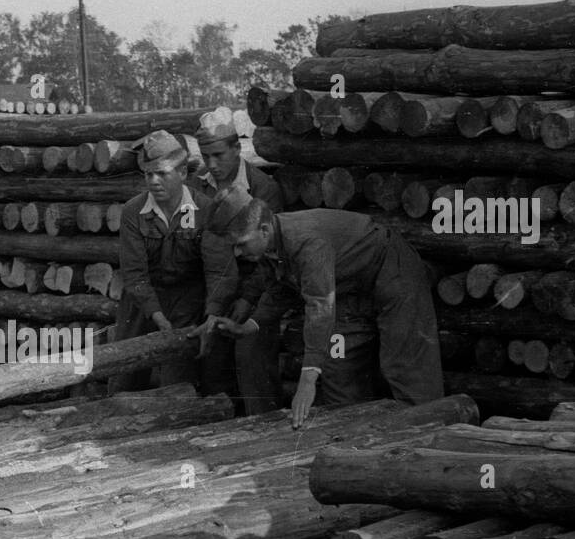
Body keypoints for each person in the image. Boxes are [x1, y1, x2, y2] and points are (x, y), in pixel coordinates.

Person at [219, 200, 445, 428]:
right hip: (349, 291)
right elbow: (280, 290)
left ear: (264, 230)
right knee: (339, 366)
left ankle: (430, 437)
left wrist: (307, 379)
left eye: (241, 244)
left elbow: (320, 306)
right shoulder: (270, 247)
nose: (237, 252)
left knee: (406, 366)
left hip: (393, 274)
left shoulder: (306, 241)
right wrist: (250, 325)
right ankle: (351, 443)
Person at [111, 129, 232, 394]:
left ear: (182, 174)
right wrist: (155, 315)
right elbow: (134, 273)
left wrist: (212, 313)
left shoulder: (206, 209)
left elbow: (218, 269)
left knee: (178, 382)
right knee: (125, 377)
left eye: (162, 174)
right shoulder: (133, 211)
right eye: (148, 174)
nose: (154, 181)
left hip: (186, 300)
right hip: (141, 302)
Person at [190, 121, 284, 414]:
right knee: (211, 363)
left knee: (252, 361)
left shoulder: (262, 187)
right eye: (206, 157)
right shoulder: (196, 186)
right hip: (213, 289)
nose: (212, 164)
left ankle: (265, 431)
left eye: (219, 154)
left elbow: (272, 255)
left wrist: (247, 300)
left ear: (237, 148)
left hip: (254, 288)